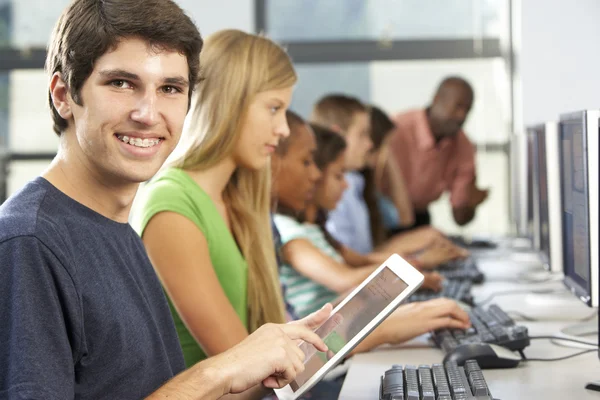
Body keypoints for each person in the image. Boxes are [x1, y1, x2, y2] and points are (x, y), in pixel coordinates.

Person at [0, 3, 327, 398]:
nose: (148, 113)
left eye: (170, 88)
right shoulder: (29, 242)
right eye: (121, 83)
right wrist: (218, 372)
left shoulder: (116, 226)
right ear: (63, 95)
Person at [131, 30, 337, 400]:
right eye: (274, 108)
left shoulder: (237, 202)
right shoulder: (171, 205)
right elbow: (245, 375)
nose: (284, 128)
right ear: (230, 102)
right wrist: (371, 335)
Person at [272, 111, 470, 349]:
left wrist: (404, 280)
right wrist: (407, 273)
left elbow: (360, 265)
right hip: (326, 349)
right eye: (337, 175)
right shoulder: (289, 233)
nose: (314, 175)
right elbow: (342, 280)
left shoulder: (314, 229)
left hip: (333, 340)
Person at [310, 94, 466, 261]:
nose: (370, 144)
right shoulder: (335, 191)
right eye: (363, 134)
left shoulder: (355, 183)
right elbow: (347, 266)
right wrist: (416, 262)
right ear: (338, 135)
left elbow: (358, 258)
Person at [389, 76, 489, 229]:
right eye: (457, 106)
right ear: (436, 99)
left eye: (467, 110)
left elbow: (460, 218)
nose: (462, 116)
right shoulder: (396, 130)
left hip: (419, 217)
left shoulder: (464, 146)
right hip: (382, 216)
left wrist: (471, 203)